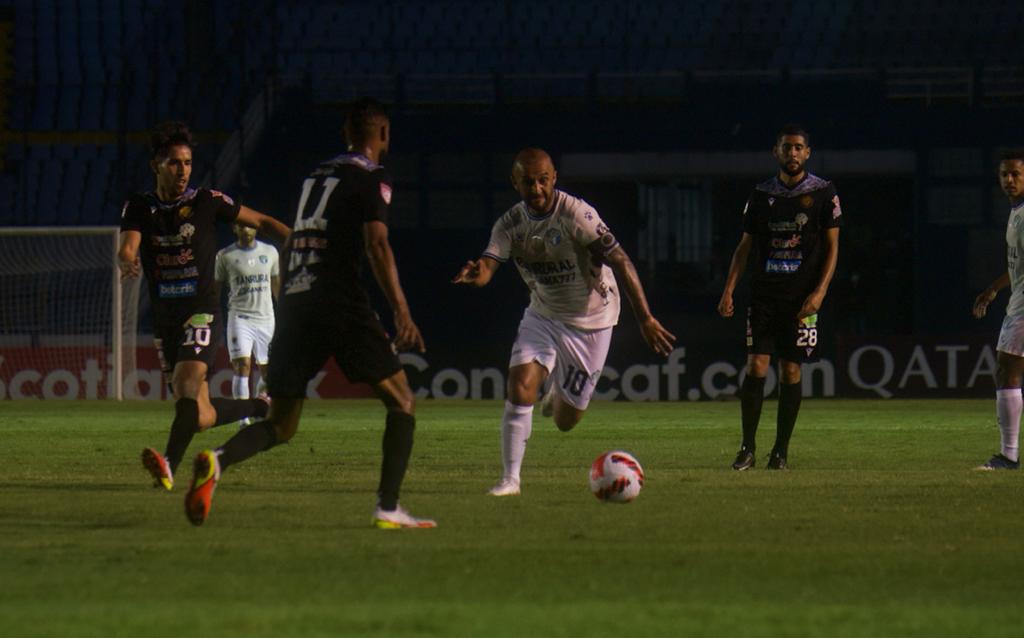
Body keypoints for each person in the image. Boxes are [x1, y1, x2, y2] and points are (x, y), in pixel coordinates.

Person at [183, 98, 436, 529]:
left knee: (281, 423)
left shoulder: (314, 176)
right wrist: (402, 311)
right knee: (402, 401)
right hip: (339, 299)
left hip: (296, 303)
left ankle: (218, 461)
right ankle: (388, 507)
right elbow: (377, 244)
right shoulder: (373, 177)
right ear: (384, 135)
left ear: (345, 134)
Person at [453, 148, 676, 496]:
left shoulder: (577, 214)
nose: (537, 188)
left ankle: (558, 390)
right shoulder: (510, 224)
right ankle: (510, 480)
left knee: (565, 421)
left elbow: (621, 260)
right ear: (515, 183)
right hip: (543, 314)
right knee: (520, 385)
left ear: (554, 177)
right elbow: (488, 266)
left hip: (593, 319)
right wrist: (476, 274)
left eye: (544, 180)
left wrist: (645, 317)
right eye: (528, 182)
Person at [118, 121, 290, 491]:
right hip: (166, 319)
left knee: (185, 382)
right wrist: (126, 258)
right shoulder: (139, 207)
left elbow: (260, 220)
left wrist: (298, 240)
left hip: (202, 310)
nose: (182, 171)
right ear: (156, 165)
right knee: (199, 414)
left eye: (188, 163)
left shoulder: (206, 201)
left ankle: (168, 464)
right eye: (174, 163)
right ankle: (260, 407)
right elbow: (128, 245)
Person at [717, 124, 841, 471]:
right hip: (764, 295)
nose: (792, 153)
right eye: (786, 148)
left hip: (802, 299)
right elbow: (745, 247)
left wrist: (820, 292)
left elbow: (833, 248)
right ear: (776, 152)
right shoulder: (760, 194)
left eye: (799, 147)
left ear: (807, 153)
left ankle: (780, 452)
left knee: (790, 370)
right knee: (756, 364)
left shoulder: (823, 192)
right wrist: (729, 289)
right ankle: (746, 449)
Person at [972, 149, 1024, 470]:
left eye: (1016, 174)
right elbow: (1017, 265)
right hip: (1016, 299)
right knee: (1008, 370)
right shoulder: (1015, 212)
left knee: (1007, 370)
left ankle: (1008, 456)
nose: (1009, 180)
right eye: (1004, 174)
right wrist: (993, 288)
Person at [215, 222, 280, 425]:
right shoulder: (224, 256)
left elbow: (276, 285)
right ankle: (242, 417)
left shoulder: (270, 252)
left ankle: (260, 402)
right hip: (239, 317)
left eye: (249, 226)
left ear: (256, 229)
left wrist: (285, 311)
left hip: (266, 318)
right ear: (234, 229)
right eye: (241, 226)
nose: (246, 229)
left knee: (269, 372)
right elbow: (215, 290)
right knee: (242, 365)